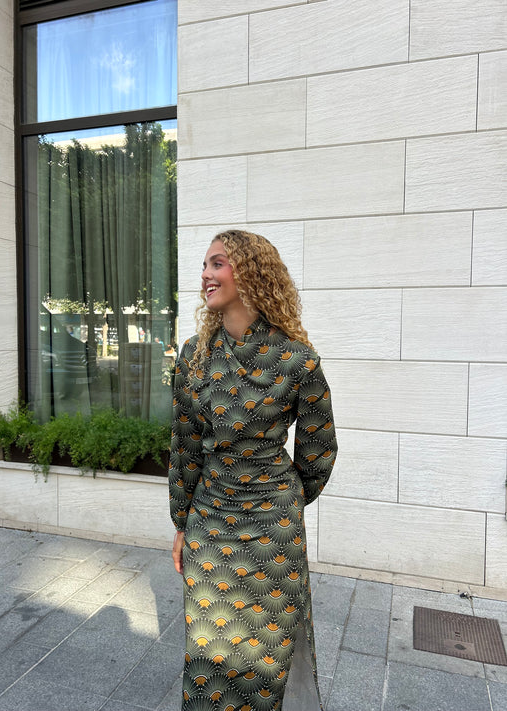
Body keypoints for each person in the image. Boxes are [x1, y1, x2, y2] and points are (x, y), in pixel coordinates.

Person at [168, 230, 337, 711]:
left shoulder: (297, 360)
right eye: (205, 264)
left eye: (217, 263)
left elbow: (319, 449)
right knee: (210, 655)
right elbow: (184, 446)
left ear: (250, 273)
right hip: (209, 522)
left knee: (265, 657)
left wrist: (279, 499)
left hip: (272, 532)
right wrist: (181, 523)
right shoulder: (194, 355)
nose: (205, 274)